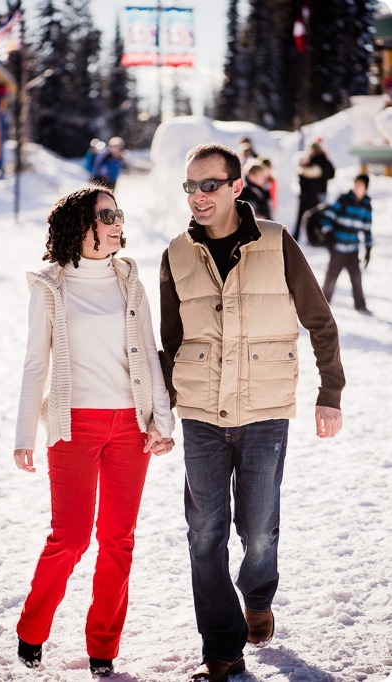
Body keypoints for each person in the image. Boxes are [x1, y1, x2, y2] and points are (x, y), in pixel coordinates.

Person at [159, 143, 345, 682]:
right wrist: (160, 411)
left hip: (264, 410)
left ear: (237, 186)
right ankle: (221, 647)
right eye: (190, 186)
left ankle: (258, 596)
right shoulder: (175, 253)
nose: (198, 196)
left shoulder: (276, 242)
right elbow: (169, 341)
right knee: (204, 532)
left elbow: (320, 321)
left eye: (209, 185)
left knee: (259, 530)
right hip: (200, 413)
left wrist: (329, 393)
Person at [13, 184, 175, 676]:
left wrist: (160, 420)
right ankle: (31, 629)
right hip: (73, 425)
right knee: (71, 537)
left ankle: (103, 646)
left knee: (118, 539)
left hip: (130, 425)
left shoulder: (131, 281)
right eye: (107, 216)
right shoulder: (51, 285)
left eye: (118, 215)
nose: (116, 223)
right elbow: (34, 363)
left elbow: (150, 354)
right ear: (79, 226)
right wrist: (24, 434)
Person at [321, 173, 373, 315]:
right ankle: (322, 306)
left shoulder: (366, 206)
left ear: (365, 188)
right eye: (355, 184)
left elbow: (367, 229)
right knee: (331, 279)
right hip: (337, 248)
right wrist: (328, 234)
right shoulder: (344, 200)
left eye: (360, 185)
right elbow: (327, 217)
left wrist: (368, 248)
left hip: (352, 250)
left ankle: (360, 306)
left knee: (357, 279)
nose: (356, 188)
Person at [293, 140, 335, 242]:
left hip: (309, 193)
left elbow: (306, 175)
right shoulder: (325, 160)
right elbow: (332, 174)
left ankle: (300, 237)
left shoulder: (313, 161)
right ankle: (316, 237)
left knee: (308, 216)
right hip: (321, 192)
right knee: (318, 216)